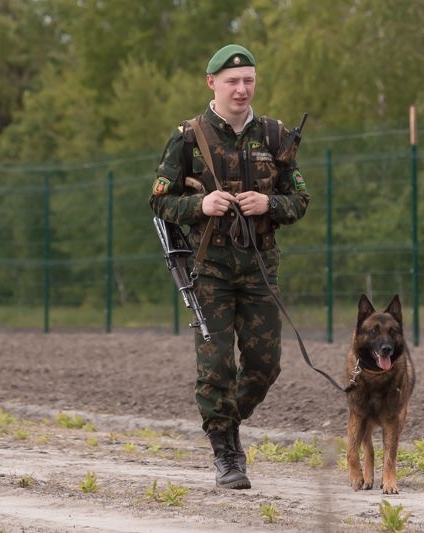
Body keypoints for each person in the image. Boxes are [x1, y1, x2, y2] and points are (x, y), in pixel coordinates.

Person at [149, 44, 310, 489]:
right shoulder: (188, 137)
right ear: (212, 83)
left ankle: (227, 421)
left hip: (260, 270)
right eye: (232, 81)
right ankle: (226, 452)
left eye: (249, 80)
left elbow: (300, 200)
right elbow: (158, 201)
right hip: (211, 271)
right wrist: (200, 204)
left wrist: (268, 203)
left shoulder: (276, 137)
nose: (241, 89)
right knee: (216, 367)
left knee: (264, 365)